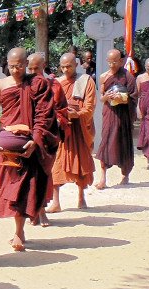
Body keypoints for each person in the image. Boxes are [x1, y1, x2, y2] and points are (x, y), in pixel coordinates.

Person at [0, 48, 57, 251]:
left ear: (26, 64)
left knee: (26, 187)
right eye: (11, 66)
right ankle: (18, 229)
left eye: (19, 66)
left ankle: (19, 231)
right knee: (11, 188)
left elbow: (44, 115)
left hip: (28, 143)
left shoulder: (37, 84)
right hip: (8, 145)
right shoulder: (1, 85)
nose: (15, 70)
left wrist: (36, 140)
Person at [48, 53, 97, 213]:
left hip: (79, 130)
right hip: (62, 130)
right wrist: (60, 114)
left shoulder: (86, 81)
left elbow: (89, 106)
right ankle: (56, 202)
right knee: (56, 164)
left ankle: (81, 197)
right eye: (62, 67)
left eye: (68, 66)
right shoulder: (58, 83)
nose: (65, 69)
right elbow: (51, 105)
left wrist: (77, 113)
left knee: (81, 163)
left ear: (76, 65)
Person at [27, 52, 66, 226]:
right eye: (31, 68)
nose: (34, 71)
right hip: (28, 136)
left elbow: (63, 109)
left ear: (44, 66)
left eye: (37, 68)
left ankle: (42, 210)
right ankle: (34, 211)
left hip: (48, 136)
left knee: (43, 174)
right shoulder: (24, 85)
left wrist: (56, 119)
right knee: (29, 175)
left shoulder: (54, 85)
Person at [95, 49, 138, 189]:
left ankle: (125, 174)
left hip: (122, 116)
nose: (112, 65)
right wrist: (106, 97)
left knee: (123, 143)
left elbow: (133, 97)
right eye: (109, 62)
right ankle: (102, 178)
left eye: (115, 62)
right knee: (105, 143)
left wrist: (122, 99)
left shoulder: (128, 77)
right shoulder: (103, 77)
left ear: (121, 61)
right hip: (109, 113)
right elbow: (101, 97)